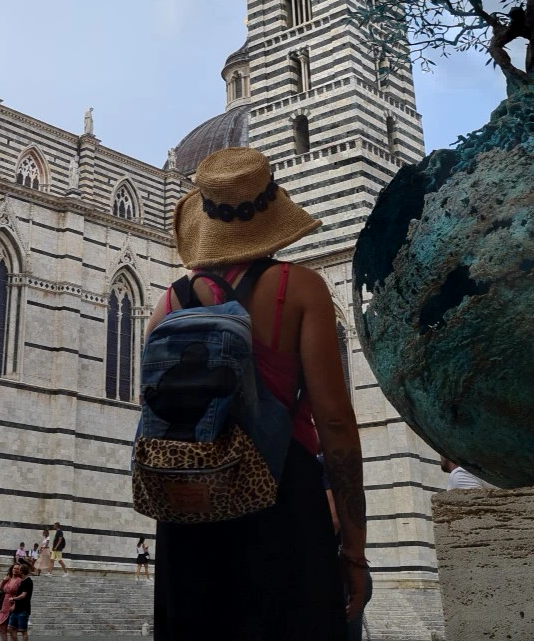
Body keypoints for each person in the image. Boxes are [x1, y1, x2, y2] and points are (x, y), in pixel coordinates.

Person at [146, 148, 369, 640]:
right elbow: (335, 424)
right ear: (272, 214)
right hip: (280, 495)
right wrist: (354, 551)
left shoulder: (169, 301)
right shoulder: (301, 288)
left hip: (189, 507)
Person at [7, 562, 33, 640]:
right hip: (17, 609)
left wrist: (13, 598)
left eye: (19, 569)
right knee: (10, 628)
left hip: (23, 609)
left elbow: (23, 595)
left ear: (21, 571)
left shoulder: (27, 581)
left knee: (23, 631)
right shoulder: (22, 581)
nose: (17, 571)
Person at [0, 565, 21, 638]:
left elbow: (20, 594)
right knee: (2, 627)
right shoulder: (8, 578)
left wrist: (15, 604)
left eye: (18, 569)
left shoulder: (19, 580)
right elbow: (0, 589)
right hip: (4, 604)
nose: (15, 570)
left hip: (13, 603)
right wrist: (3, 580)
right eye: (14, 568)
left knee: (12, 628)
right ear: (12, 569)